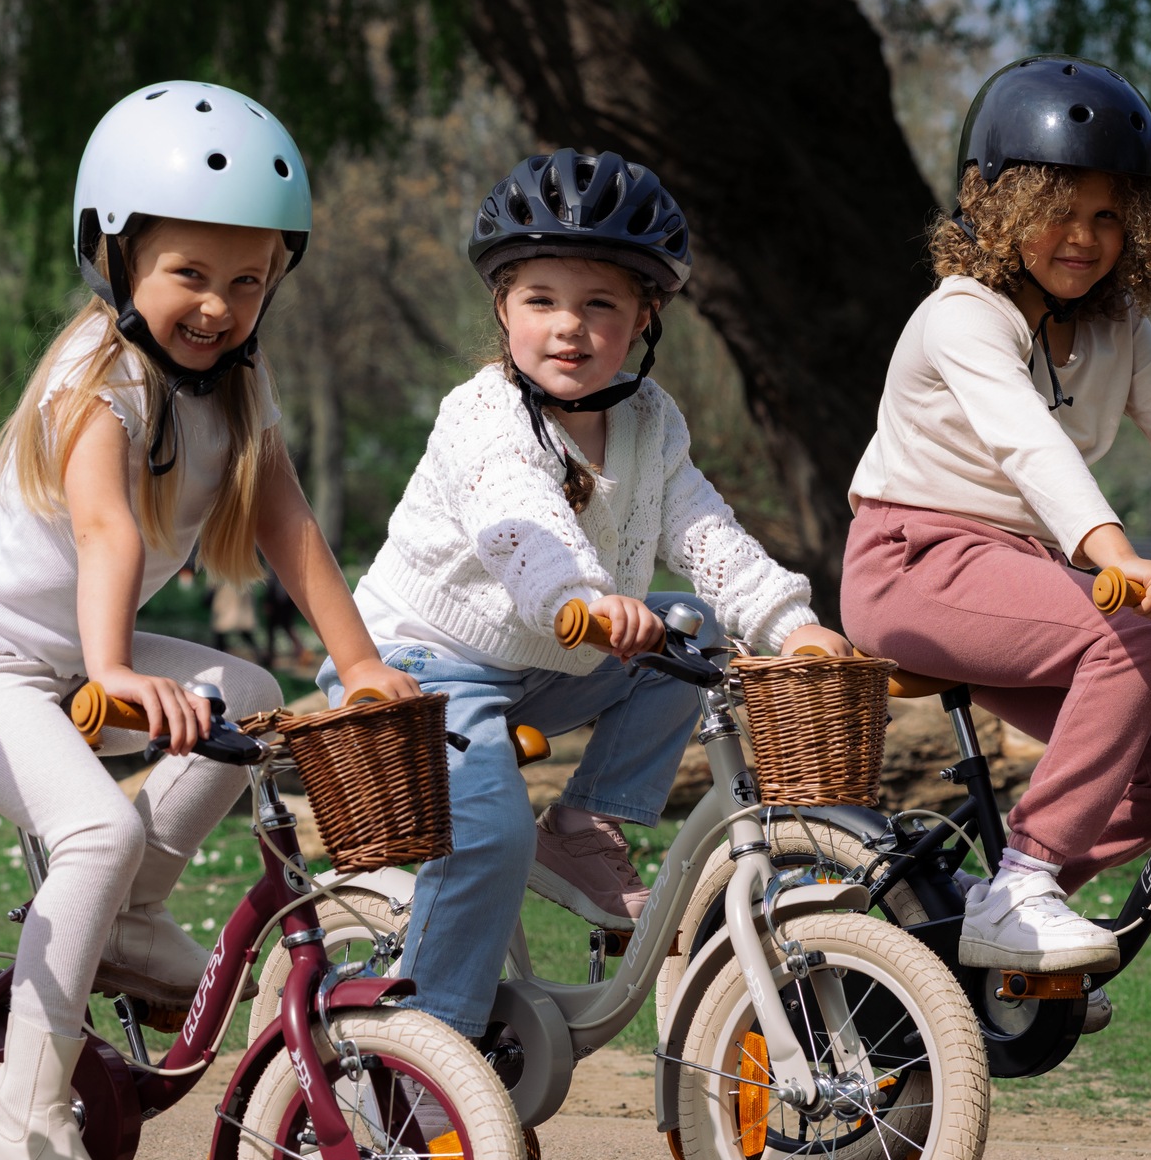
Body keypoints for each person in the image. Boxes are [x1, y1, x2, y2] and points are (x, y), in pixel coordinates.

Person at [0, 82, 416, 1160]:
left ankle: (125, 924)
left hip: (66, 659)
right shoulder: (99, 379)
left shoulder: (238, 382)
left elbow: (287, 525)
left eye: (249, 280)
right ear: (113, 257)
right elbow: (105, 529)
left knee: (254, 694)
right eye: (190, 274)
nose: (220, 306)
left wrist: (361, 664)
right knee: (98, 828)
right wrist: (116, 666)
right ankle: (23, 1112)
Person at [335, 151, 852, 1038]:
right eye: (541, 301)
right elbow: (516, 518)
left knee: (694, 644)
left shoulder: (650, 418)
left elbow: (706, 534)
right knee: (488, 837)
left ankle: (583, 824)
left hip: (552, 660)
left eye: (599, 305)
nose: (567, 328)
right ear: (502, 309)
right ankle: (430, 1053)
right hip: (424, 660)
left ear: (645, 316)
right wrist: (580, 593)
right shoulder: (483, 415)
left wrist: (796, 627)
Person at [841, 56, 1151, 1029]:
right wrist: (1114, 555)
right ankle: (1023, 887)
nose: (1087, 239)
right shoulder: (962, 314)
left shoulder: (1117, 327)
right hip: (913, 565)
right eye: (1061, 209)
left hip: (1017, 575)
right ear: (998, 206)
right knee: (1144, 637)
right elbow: (1028, 439)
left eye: (1109, 216)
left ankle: (984, 916)